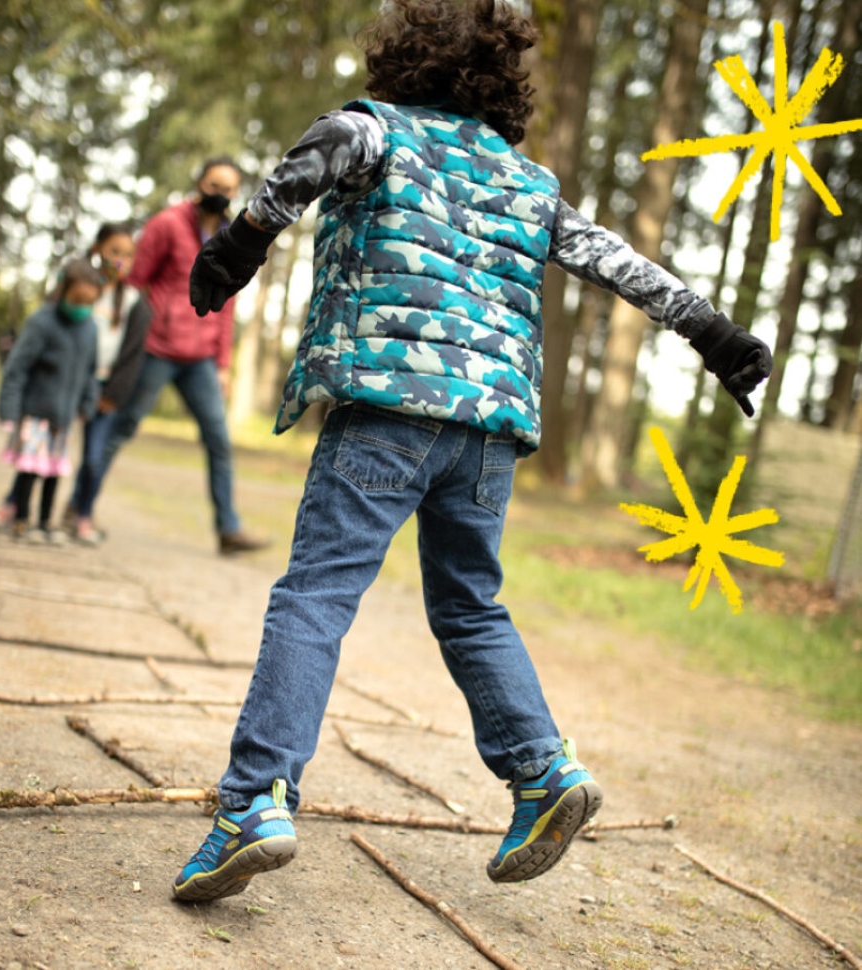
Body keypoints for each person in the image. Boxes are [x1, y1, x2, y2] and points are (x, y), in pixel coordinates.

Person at [171, 0, 773, 904]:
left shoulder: (370, 131)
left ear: (403, 56)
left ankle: (253, 802)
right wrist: (713, 333)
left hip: (387, 410)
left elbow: (293, 180)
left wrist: (237, 248)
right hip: (488, 432)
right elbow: (617, 262)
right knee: (471, 606)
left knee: (317, 594)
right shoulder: (527, 183)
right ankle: (542, 773)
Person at [94, 158, 267, 555]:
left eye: (229, 189)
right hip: (156, 348)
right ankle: (79, 506)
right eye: (214, 184)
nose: (220, 194)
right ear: (199, 182)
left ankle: (228, 530)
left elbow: (227, 305)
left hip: (201, 357)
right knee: (123, 425)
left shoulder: (231, 236)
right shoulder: (167, 224)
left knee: (219, 440)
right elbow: (135, 284)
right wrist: (122, 345)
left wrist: (223, 364)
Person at [0, 259, 101, 543]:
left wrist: (88, 404)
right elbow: (16, 368)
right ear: (62, 290)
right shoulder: (41, 322)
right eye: (77, 300)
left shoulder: (90, 328)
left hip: (63, 418)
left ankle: (45, 523)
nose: (81, 307)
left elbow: (90, 372)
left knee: (54, 472)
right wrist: (8, 409)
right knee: (29, 470)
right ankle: (21, 520)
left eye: (88, 302)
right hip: (34, 413)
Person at [60, 224, 151, 546]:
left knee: (95, 458)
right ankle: (18, 504)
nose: (120, 260)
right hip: (68, 383)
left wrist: (113, 395)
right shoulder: (78, 287)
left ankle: (83, 514)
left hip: (105, 392)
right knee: (45, 446)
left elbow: (132, 355)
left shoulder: (132, 301)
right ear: (98, 248)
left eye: (128, 254)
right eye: (114, 252)